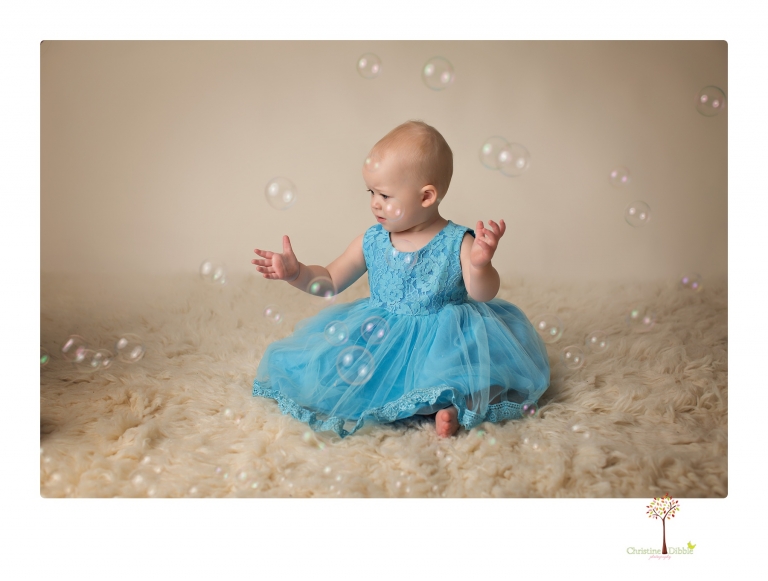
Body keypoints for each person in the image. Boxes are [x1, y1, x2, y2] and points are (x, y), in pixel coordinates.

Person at [251, 120, 549, 438]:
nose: (375, 203)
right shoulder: (372, 240)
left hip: (447, 337)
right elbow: (329, 279)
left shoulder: (458, 241)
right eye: (371, 192)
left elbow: (483, 293)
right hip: (382, 336)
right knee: (352, 377)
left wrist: (480, 264)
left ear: (426, 197)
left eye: (385, 194)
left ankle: (450, 408)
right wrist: (297, 273)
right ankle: (434, 407)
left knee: (471, 377)